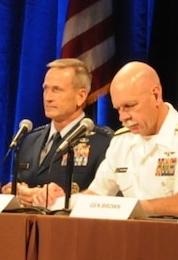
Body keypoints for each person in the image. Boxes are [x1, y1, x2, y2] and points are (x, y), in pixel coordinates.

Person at [64, 61, 178, 217]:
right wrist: (62, 201)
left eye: (130, 106)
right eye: (118, 109)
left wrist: (126, 208)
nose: (123, 117)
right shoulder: (121, 141)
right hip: (136, 236)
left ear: (156, 94)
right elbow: (97, 194)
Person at [11, 57, 114, 206]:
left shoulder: (103, 142)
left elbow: (108, 199)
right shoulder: (30, 139)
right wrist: (16, 193)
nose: (48, 97)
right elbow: (22, 184)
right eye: (45, 89)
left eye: (56, 90)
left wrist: (62, 200)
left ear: (81, 96)